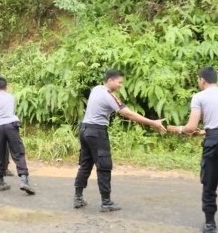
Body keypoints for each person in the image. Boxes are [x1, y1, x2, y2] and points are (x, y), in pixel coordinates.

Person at [74, 69, 166, 212]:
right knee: (104, 166)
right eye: (119, 82)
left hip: (84, 129)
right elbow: (128, 113)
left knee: (85, 164)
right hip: (97, 132)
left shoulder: (96, 89)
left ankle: (78, 197)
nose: (121, 85)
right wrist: (153, 123)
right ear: (110, 80)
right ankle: (106, 202)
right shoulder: (108, 96)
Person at [166, 67, 218, 233]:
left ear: (202, 80)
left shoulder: (199, 97)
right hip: (211, 135)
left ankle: (210, 224)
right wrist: (204, 131)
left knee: (209, 183)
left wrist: (176, 129)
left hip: (213, 144)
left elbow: (190, 127)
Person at [0, 77, 34, 194]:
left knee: (0, 153)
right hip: (11, 125)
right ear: (6, 86)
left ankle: (1, 182)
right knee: (18, 152)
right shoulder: (11, 97)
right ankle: (24, 180)